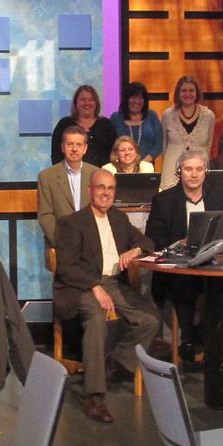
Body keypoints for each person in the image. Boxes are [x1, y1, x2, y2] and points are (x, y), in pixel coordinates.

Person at [51, 168, 158, 424]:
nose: (106, 193)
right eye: (101, 187)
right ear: (90, 190)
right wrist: (94, 287)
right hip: (80, 286)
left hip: (113, 283)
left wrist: (135, 250)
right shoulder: (72, 222)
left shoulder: (119, 219)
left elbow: (148, 243)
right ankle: (95, 397)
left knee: (150, 319)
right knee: (97, 319)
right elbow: (66, 267)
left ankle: (113, 362)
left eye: (110, 189)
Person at [145, 150, 223, 371]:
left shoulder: (219, 197)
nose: (194, 174)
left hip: (211, 264)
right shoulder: (164, 200)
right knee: (185, 281)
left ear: (205, 172)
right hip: (177, 267)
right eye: (188, 169)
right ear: (179, 172)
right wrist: (179, 244)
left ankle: (199, 336)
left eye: (199, 169)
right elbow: (153, 239)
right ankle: (189, 340)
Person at [36, 124, 95, 265]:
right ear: (62, 147)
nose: (74, 149)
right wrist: (63, 243)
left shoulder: (96, 174)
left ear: (85, 148)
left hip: (92, 247)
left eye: (79, 145)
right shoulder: (46, 176)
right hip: (60, 247)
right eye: (70, 144)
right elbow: (45, 215)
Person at [160, 75, 215, 189]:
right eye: (184, 90)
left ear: (197, 93)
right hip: (171, 172)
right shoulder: (168, 115)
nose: (188, 94)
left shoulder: (209, 116)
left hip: (198, 171)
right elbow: (164, 146)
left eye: (191, 90)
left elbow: (209, 146)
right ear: (178, 93)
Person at [50, 84, 115, 169]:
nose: (87, 103)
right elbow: (56, 155)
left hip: (102, 174)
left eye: (91, 100)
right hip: (69, 174)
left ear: (96, 103)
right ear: (76, 103)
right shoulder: (64, 124)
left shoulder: (107, 125)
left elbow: (115, 153)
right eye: (83, 100)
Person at [110, 81, 162, 165]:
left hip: (146, 167)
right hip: (121, 167)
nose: (136, 101)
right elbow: (111, 146)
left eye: (140, 98)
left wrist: (142, 164)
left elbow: (159, 145)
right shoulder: (116, 117)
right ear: (126, 99)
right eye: (133, 97)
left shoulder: (152, 115)